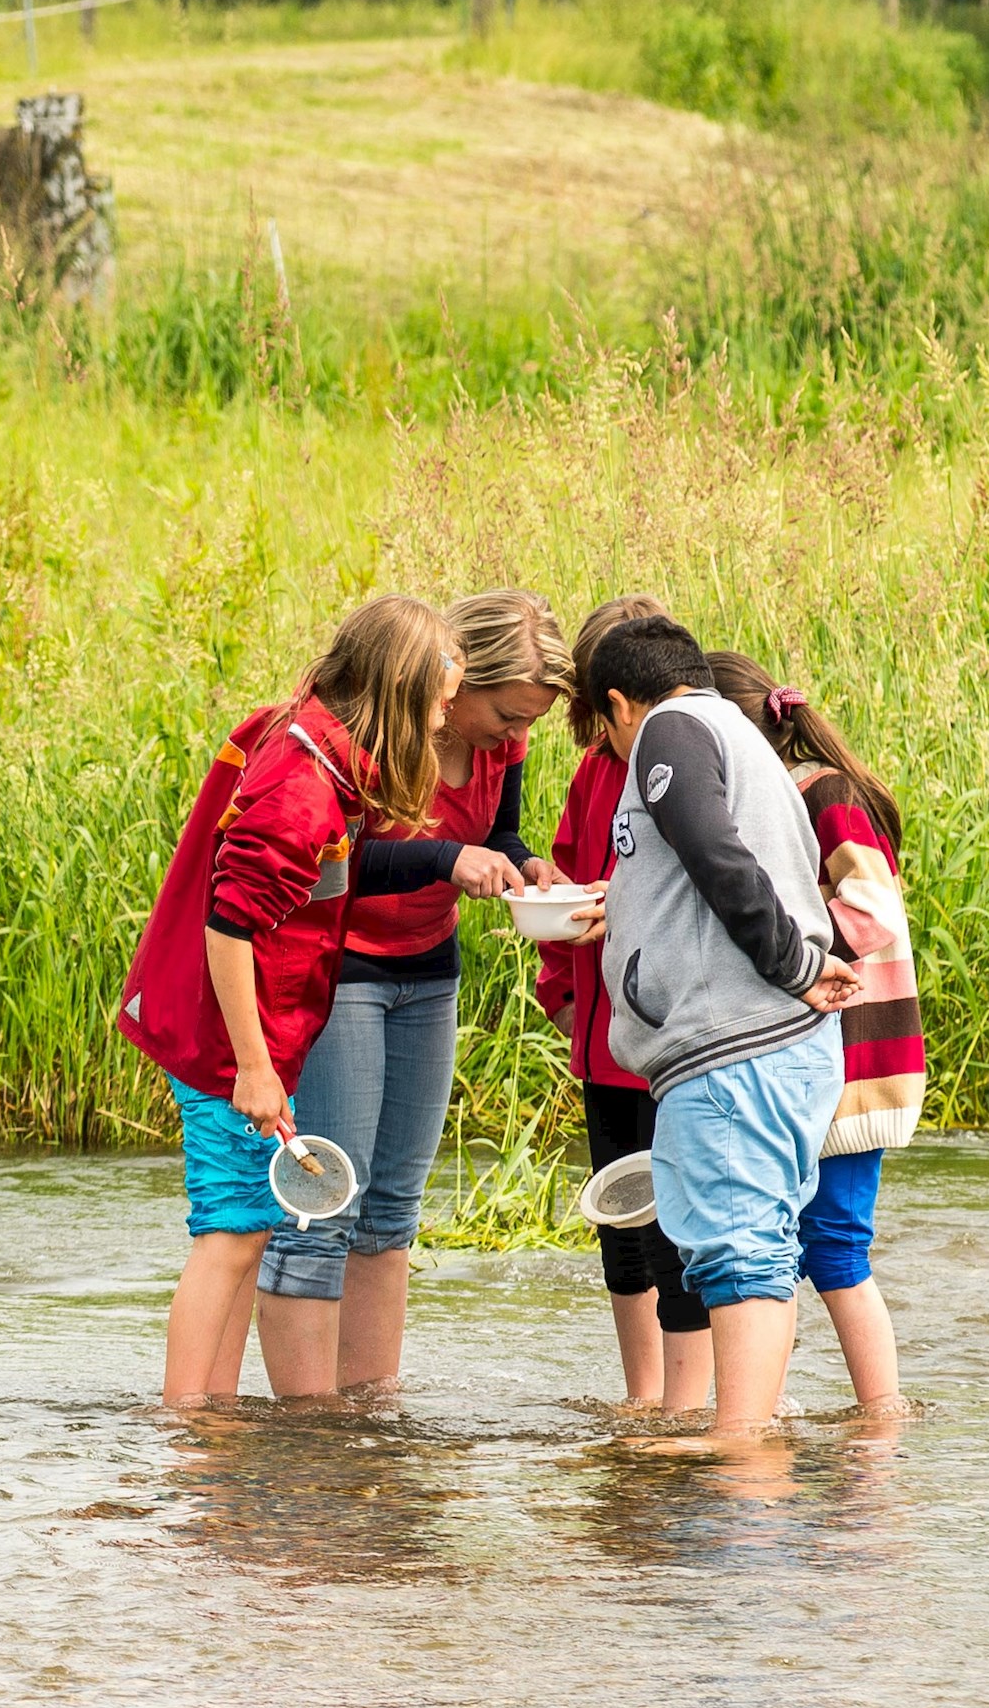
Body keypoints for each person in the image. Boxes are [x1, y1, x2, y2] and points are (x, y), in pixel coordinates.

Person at [116, 596, 458, 1406]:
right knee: (229, 1234)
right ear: (399, 694)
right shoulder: (300, 790)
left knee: (248, 1226)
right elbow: (228, 926)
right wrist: (255, 1068)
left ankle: (216, 1416)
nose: (447, 717)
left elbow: (310, 887)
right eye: (442, 699)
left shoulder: (319, 753)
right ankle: (185, 1427)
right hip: (224, 1041)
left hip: (251, 1035)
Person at [255, 589, 565, 1396]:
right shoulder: (383, 734)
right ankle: (312, 1427)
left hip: (429, 970)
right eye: (507, 715)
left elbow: (496, 833)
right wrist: (444, 860)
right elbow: (331, 862)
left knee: (393, 1209)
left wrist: (524, 866)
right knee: (326, 1204)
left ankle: (369, 1416)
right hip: (344, 964)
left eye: (531, 721)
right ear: (456, 687)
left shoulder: (504, 748)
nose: (518, 736)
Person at [582, 617, 857, 1445]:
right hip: (758, 1048)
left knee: (739, 1258)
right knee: (753, 1253)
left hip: (734, 1050)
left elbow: (713, 852)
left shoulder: (671, 727)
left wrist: (794, 966)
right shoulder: (732, 732)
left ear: (620, 704)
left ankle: (741, 1461)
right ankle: (750, 1455)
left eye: (606, 727)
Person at [708, 653, 925, 1409]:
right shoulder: (782, 795)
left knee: (834, 1246)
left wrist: (775, 941)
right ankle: (765, 1407)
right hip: (816, 1049)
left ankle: (881, 1417)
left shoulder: (820, 794)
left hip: (855, 1054)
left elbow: (871, 908)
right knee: (781, 1245)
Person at [538, 594, 708, 1411]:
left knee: (683, 1221)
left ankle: (690, 1397)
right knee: (621, 1220)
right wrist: (560, 992)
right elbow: (568, 884)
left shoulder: (693, 760)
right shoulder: (592, 773)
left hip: (679, 1037)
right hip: (604, 1041)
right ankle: (644, 1397)